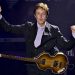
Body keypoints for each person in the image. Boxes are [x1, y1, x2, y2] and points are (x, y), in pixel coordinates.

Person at [0, 2, 75, 75]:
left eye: (43, 14)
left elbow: (67, 46)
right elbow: (9, 28)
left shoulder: (53, 30)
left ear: (46, 15)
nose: (40, 16)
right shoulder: (28, 27)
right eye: (38, 13)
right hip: (31, 70)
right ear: (35, 15)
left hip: (47, 71)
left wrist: (74, 34)